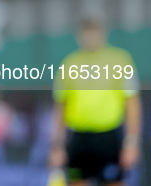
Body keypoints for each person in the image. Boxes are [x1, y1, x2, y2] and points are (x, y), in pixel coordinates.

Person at [49, 18, 142, 186]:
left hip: (109, 136)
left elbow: (132, 104)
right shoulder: (69, 63)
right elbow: (60, 107)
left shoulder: (120, 60)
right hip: (79, 137)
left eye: (94, 31)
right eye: (86, 32)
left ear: (103, 33)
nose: (90, 37)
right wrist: (57, 146)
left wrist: (132, 142)